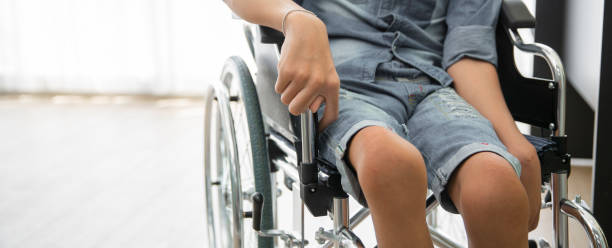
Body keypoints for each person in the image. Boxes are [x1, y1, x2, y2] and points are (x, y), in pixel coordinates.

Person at [224, 0, 542, 247]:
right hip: (338, 85)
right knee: (389, 162)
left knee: (496, 186)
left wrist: (515, 143)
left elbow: (468, 56)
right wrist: (296, 17)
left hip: (432, 88)